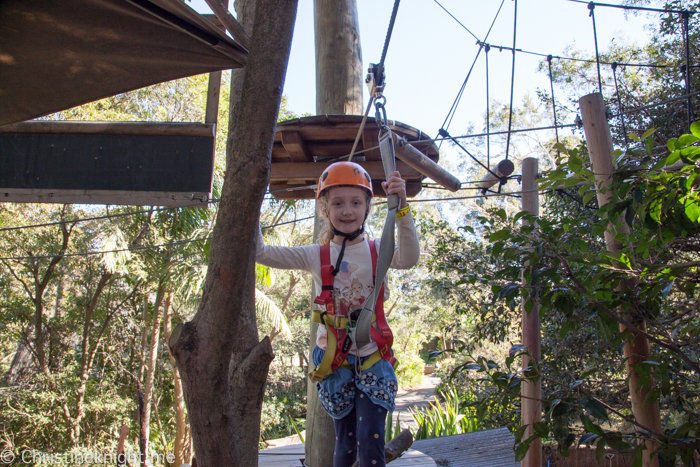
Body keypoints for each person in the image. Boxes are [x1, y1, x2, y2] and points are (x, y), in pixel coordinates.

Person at [256, 161, 420, 467]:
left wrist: (402, 209)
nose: (347, 211)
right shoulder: (315, 256)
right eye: (338, 204)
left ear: (369, 208)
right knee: (344, 444)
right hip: (333, 358)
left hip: (372, 354)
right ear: (324, 210)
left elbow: (409, 258)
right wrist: (249, 204)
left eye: (356, 203)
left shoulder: (378, 250)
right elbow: (260, 253)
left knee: (371, 441)